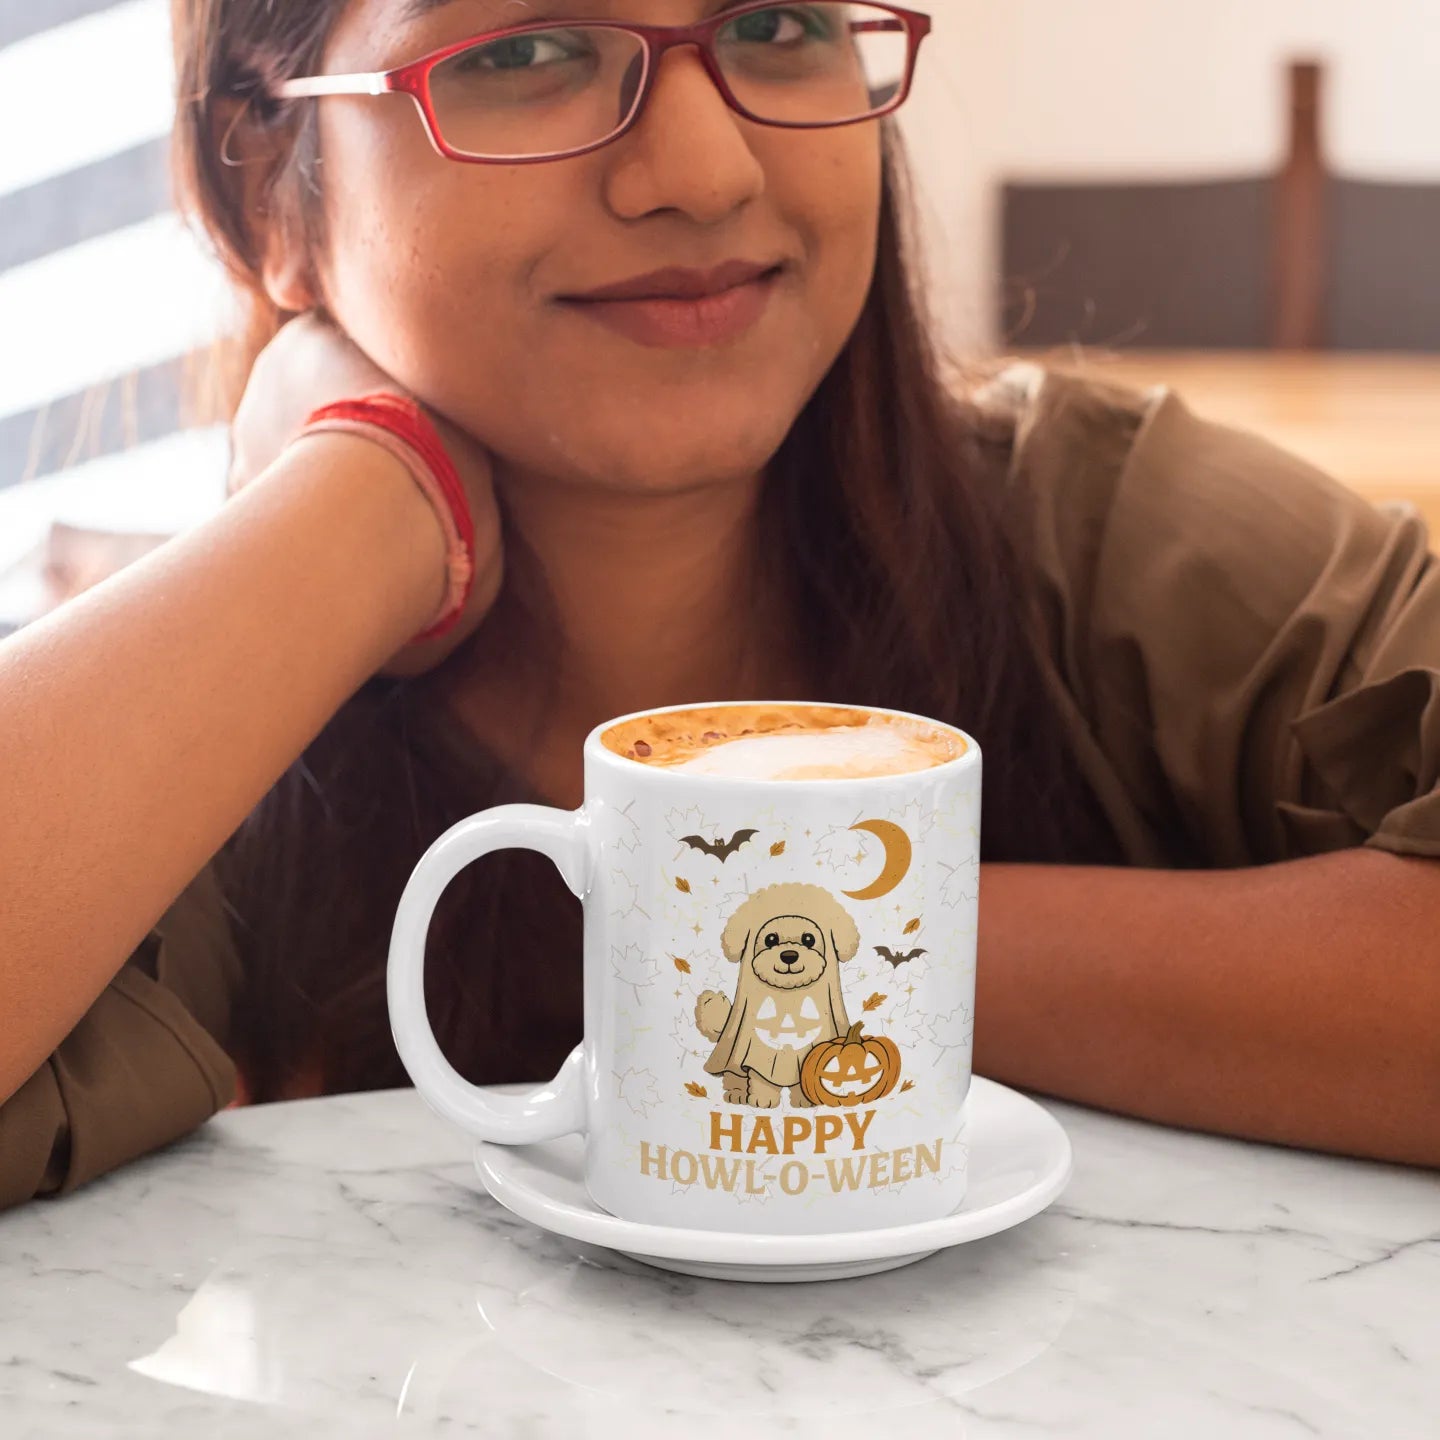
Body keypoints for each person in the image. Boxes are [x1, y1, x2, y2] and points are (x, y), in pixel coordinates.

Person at [1, 0, 1437, 1213]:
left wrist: (682, 931)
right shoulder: (221, 704)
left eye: (774, 24)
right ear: (269, 185)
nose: (699, 167)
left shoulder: (1099, 532)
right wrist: (363, 510)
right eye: (525, 51)